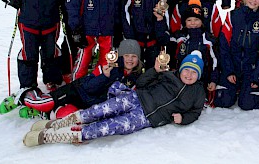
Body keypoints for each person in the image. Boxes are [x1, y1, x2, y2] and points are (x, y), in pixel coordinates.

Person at [23, 51, 206, 147]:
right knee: (98, 111)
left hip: (148, 118)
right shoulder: (169, 75)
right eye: (187, 70)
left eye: (194, 73)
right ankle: (56, 125)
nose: (189, 75)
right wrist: (156, 71)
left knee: (111, 126)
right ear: (181, 69)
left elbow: (195, 112)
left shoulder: (198, 93)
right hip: (136, 98)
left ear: (199, 76)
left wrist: (183, 119)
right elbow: (142, 82)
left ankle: (61, 136)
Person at [18, 39, 144, 119]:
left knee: (68, 117)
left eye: (134, 56)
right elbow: (89, 86)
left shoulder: (135, 79)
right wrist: (103, 77)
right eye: (126, 55)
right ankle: (24, 96)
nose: (130, 59)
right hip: (78, 91)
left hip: (88, 105)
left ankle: (43, 113)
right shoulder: (109, 66)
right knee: (43, 103)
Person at [214, 0, 259, 110]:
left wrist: (257, 76)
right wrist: (228, 71)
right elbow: (223, 46)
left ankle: (248, 88)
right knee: (223, 101)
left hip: (251, 70)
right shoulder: (233, 15)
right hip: (232, 67)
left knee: (248, 104)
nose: (254, 0)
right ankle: (234, 88)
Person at [122, 0, 170, 69]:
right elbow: (125, 13)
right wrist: (129, 36)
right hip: (135, 39)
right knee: (133, 69)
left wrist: (162, 34)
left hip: (153, 40)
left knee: (153, 69)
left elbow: (165, 15)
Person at [171, 0, 219, 104]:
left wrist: (213, 80)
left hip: (201, 78)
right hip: (182, 77)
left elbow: (215, 62)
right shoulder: (179, 37)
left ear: (202, 21)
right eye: (189, 20)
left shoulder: (208, 39)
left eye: (196, 20)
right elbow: (172, 56)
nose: (193, 23)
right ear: (184, 22)